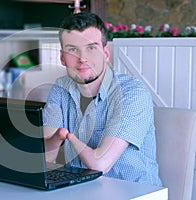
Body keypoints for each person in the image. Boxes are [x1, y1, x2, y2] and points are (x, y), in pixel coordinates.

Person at [42, 12, 162, 186]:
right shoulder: (61, 88)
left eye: (91, 48)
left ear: (106, 54)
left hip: (136, 193)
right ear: (62, 57)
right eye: (73, 49)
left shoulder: (132, 93)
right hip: (81, 191)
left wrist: (69, 137)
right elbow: (46, 159)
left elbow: (100, 164)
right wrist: (56, 138)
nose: (82, 59)